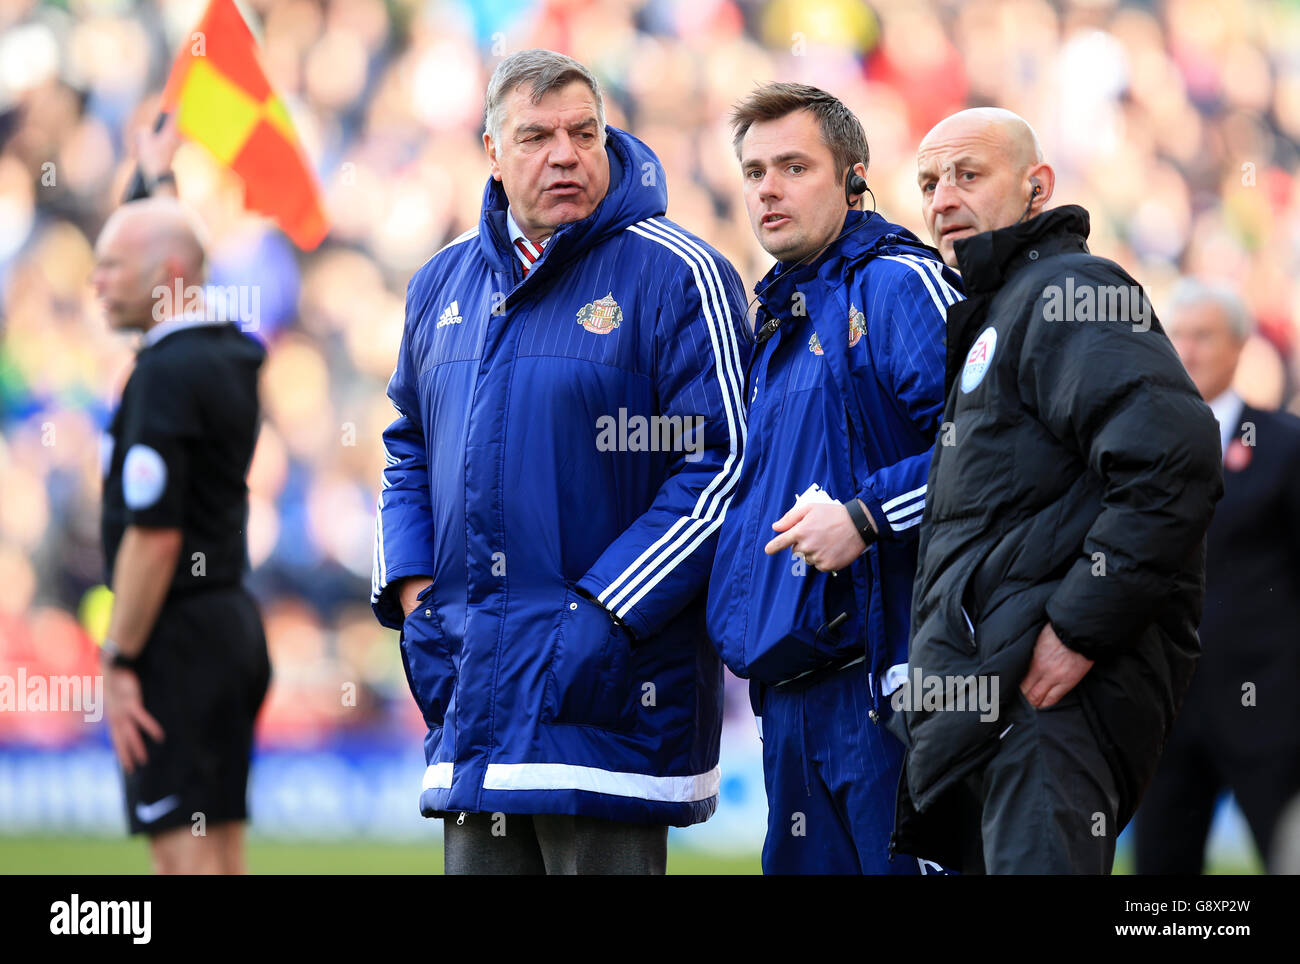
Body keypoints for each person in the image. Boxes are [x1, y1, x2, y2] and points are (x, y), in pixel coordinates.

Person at [370, 49, 748, 875]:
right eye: (537, 136)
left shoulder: (679, 275)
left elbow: (721, 465)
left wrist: (600, 615)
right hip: (473, 689)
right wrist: (414, 593)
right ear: (492, 154)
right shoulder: (439, 284)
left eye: (585, 132)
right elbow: (407, 446)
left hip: (607, 701)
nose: (566, 154)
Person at [890, 107, 1223, 874]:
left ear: (1037, 188)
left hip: (1046, 710)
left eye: (968, 176)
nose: (942, 199)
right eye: (930, 182)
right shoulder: (1000, 311)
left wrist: (1078, 628)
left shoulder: (1066, 290)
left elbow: (1173, 460)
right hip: (1003, 711)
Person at [706, 82, 959, 874]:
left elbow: (992, 450)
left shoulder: (894, 284)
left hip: (889, 694)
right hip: (788, 701)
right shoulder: (773, 320)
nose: (768, 189)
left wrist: (866, 516)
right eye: (753, 172)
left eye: (793, 166)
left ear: (854, 177)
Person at [92, 195, 269, 875]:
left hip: (176, 642)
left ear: (166, 275)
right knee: (221, 856)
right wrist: (149, 178)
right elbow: (176, 245)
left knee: (184, 863)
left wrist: (120, 658)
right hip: (228, 624)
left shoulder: (163, 374)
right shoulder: (227, 353)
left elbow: (155, 538)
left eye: (112, 267)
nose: (97, 282)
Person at [1136, 280, 1300, 875]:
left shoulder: (1285, 445)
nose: (1189, 350)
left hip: (1269, 710)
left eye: (1203, 335)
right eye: (1177, 335)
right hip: (1168, 712)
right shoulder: (1137, 448)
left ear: (1238, 346)